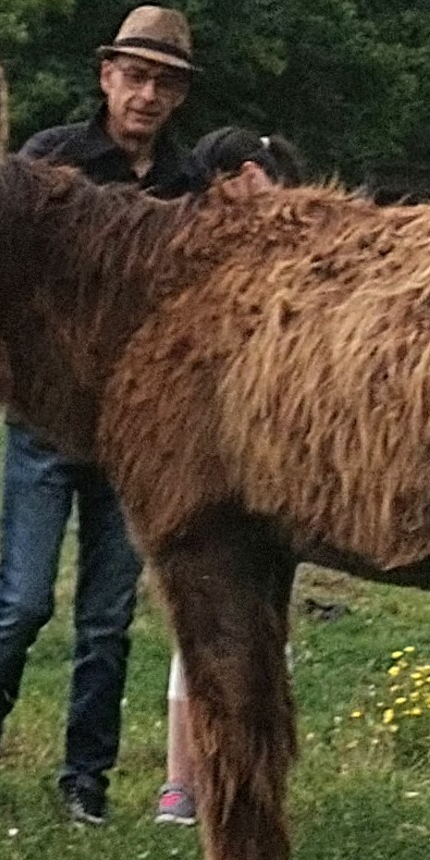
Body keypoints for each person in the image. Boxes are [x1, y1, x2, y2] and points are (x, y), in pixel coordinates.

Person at [0, 4, 206, 827]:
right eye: (135, 75)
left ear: (178, 95)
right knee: (22, 600)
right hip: (47, 424)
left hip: (132, 434)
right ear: (106, 75)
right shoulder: (45, 163)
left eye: (164, 82)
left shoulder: (189, 191)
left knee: (108, 618)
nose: (146, 95)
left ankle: (87, 781)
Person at [154, 127, 305, 820]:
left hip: (274, 463)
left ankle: (236, 783)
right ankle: (190, 782)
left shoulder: (287, 253)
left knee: (255, 621)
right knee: (210, 622)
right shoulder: (215, 259)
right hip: (220, 463)